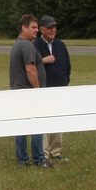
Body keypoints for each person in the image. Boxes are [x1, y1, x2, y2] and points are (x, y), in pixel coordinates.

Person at [9, 15, 50, 167]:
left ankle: (23, 159)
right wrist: (38, 91)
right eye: (33, 27)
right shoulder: (26, 45)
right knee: (37, 124)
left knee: (21, 126)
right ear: (23, 28)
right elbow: (30, 69)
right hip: (27, 92)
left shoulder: (18, 44)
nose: (37, 31)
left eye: (37, 28)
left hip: (19, 91)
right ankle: (39, 158)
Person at [34, 15, 71, 162]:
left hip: (60, 89)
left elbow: (67, 66)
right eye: (49, 27)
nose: (52, 30)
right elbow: (30, 66)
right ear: (42, 29)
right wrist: (43, 61)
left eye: (54, 27)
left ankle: (55, 152)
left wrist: (65, 81)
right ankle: (43, 153)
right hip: (43, 89)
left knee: (58, 120)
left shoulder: (61, 45)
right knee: (43, 120)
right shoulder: (35, 46)